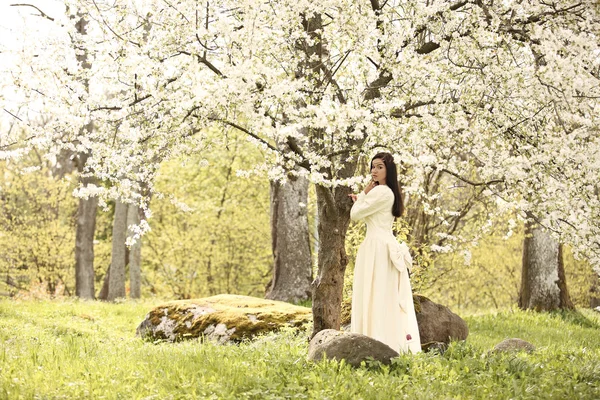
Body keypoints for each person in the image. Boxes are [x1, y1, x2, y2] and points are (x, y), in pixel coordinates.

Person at [348, 152, 421, 354]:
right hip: (382, 245)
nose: (374, 171)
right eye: (372, 167)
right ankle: (384, 340)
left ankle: (372, 341)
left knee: (375, 294)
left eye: (379, 166)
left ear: (389, 169)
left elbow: (355, 214)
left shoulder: (381, 193)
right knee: (381, 294)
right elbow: (367, 211)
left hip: (377, 248)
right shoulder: (386, 192)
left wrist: (363, 195)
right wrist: (363, 198)